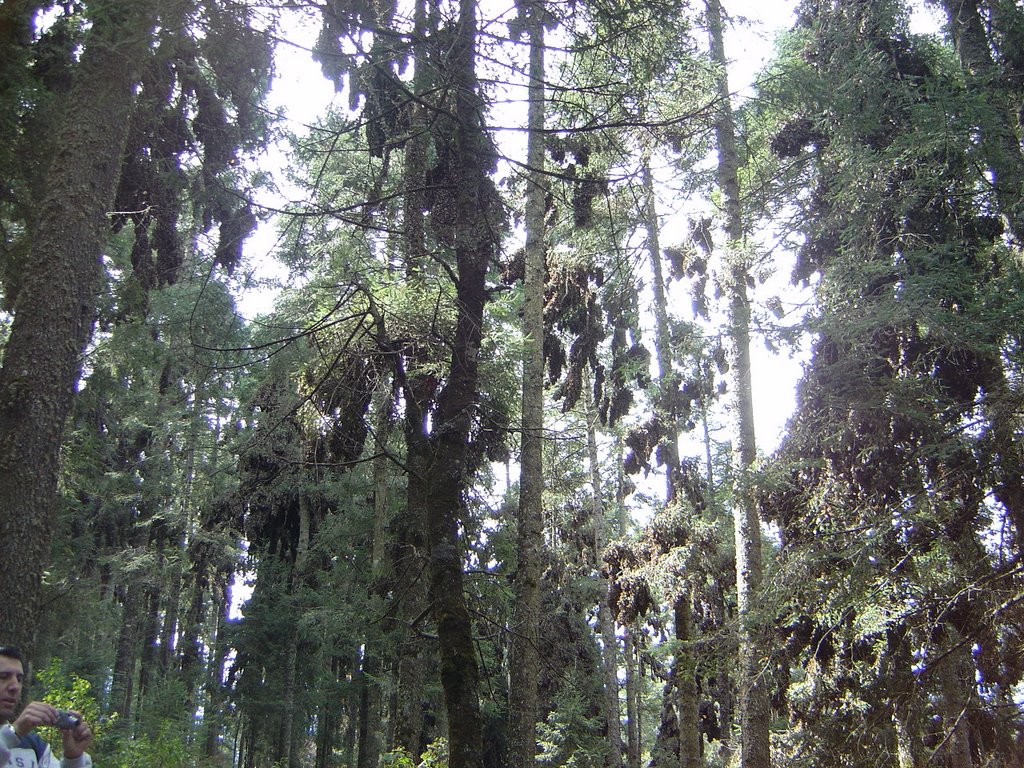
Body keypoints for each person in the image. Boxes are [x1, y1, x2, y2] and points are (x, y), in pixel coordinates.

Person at [0, 646, 92, 767]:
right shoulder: (15, 736)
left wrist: (73, 759)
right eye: (3, 676)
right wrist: (12, 734)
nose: (15, 687)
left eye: (19, 679)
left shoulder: (33, 746)